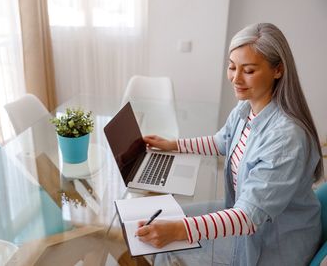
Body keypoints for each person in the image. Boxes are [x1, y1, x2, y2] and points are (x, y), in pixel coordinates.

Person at [135, 23, 324, 265]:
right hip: (245, 219)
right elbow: (222, 141)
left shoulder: (286, 138)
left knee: (166, 244)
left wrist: (179, 230)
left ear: (278, 70)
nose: (235, 79)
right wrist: (173, 144)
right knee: (159, 226)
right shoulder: (247, 106)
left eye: (249, 70)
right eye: (232, 67)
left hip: (273, 243)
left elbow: (247, 217)